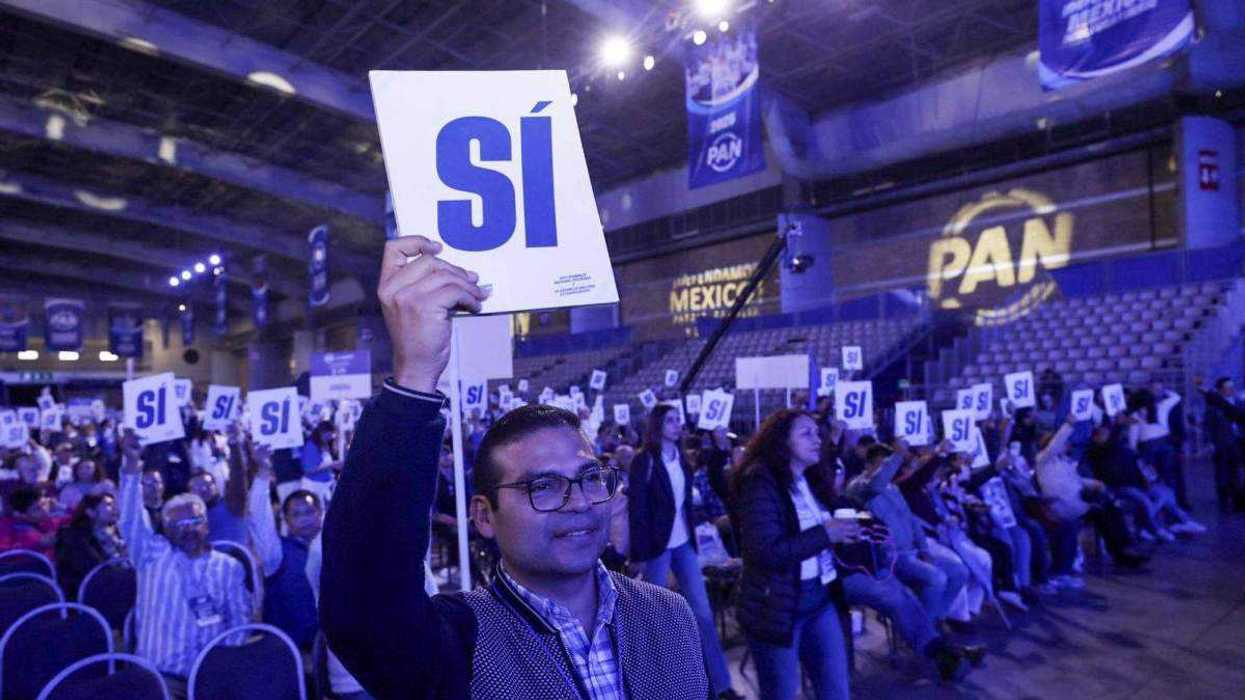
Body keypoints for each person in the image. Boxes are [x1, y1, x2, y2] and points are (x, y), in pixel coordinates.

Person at [322, 236, 710, 699]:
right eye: (544, 487)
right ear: (484, 515)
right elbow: (363, 610)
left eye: (589, 479)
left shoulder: (669, 616)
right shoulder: (457, 644)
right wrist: (415, 376)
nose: (579, 503)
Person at [729, 409, 859, 699]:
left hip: (820, 599)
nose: (817, 440)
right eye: (806, 433)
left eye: (817, 433)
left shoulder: (810, 478)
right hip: (774, 607)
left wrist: (848, 531)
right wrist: (827, 533)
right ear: (782, 441)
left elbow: (821, 533)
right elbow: (767, 552)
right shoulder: (760, 482)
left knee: (837, 691)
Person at [118, 432, 252, 695]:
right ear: (165, 529)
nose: (188, 530)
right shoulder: (152, 555)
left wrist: (221, 668)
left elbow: (239, 624)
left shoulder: (228, 567)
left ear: (207, 525)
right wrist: (132, 465)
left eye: (194, 522)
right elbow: (130, 519)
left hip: (212, 678)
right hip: (159, 679)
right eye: (178, 524)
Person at [628, 404, 737, 699]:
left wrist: (720, 444)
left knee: (702, 614)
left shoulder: (682, 459)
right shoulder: (644, 461)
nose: (678, 425)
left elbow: (691, 497)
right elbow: (636, 509)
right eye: (671, 420)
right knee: (653, 617)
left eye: (678, 420)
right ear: (657, 425)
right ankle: (658, 688)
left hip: (684, 544)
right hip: (657, 547)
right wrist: (638, 552)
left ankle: (721, 686)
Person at [846, 443, 968, 623]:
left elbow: (911, 519)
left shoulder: (892, 488)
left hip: (913, 552)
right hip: (890, 557)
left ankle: (933, 622)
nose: (888, 470)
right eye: (883, 465)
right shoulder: (858, 486)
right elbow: (876, 485)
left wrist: (924, 549)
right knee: (937, 578)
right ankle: (926, 633)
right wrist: (898, 456)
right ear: (869, 465)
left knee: (959, 571)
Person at [54, 492, 128, 600]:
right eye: (108, 505)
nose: (115, 509)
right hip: (89, 593)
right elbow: (95, 569)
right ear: (91, 512)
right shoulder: (74, 536)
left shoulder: (118, 532)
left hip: (117, 586)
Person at [1203, 378, 1245, 513]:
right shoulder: (1213, 407)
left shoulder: (1239, 402)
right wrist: (1210, 442)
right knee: (1222, 474)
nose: (1231, 390)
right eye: (1228, 387)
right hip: (1221, 443)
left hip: (1237, 442)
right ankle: (1224, 503)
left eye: (1232, 387)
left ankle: (1238, 502)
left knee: (1237, 473)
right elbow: (1208, 426)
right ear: (1220, 389)